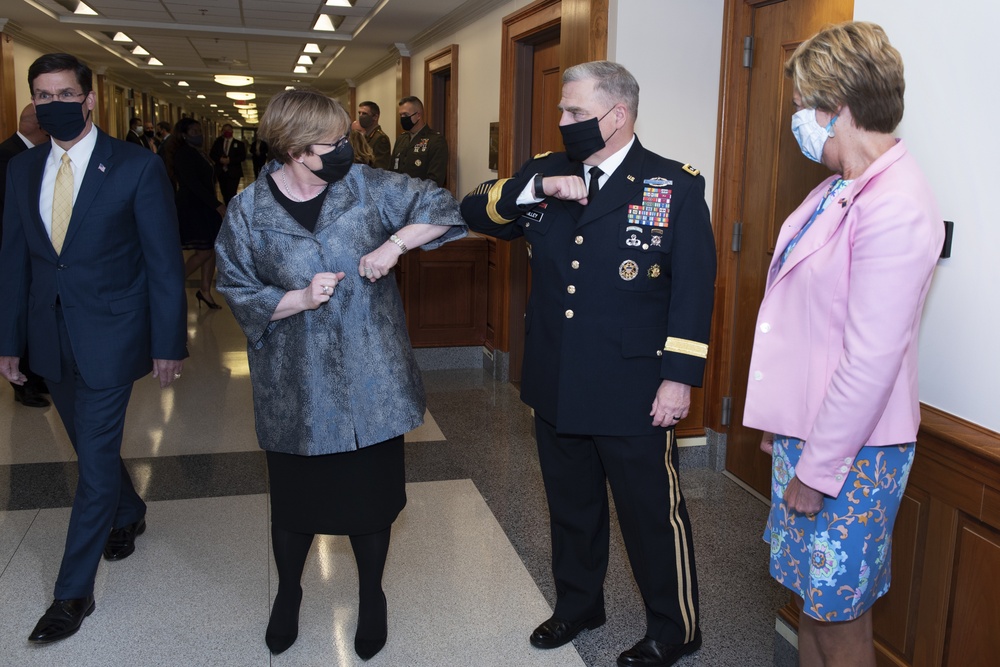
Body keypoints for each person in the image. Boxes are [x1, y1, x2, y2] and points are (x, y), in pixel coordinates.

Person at [461, 60, 716, 667]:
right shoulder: (548, 171)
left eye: (575, 112)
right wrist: (537, 189)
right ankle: (580, 605)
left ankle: (675, 626)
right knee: (571, 505)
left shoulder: (671, 184)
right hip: (556, 377)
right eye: (562, 110)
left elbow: (694, 291)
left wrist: (679, 378)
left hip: (635, 384)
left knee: (652, 513)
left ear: (617, 115)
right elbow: (476, 212)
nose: (562, 121)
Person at [214, 89, 466, 660]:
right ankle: (289, 592)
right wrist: (298, 298)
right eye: (332, 143)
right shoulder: (249, 211)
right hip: (294, 385)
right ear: (297, 149)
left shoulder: (367, 188)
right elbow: (233, 287)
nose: (344, 150)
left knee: (369, 501)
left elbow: (442, 205)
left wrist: (395, 245)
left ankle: (372, 594)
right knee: (296, 503)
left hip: (370, 378)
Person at [742, 22, 944, 667]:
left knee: (841, 617)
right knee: (811, 605)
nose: (799, 121)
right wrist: (782, 425)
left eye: (806, 106)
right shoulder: (837, 190)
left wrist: (819, 467)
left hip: (851, 453)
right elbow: (805, 322)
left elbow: (870, 360)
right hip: (812, 434)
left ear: (842, 108)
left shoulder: (897, 205)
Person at [0, 52, 187, 643]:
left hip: (111, 335)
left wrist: (168, 342)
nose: (52, 104)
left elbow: (163, 263)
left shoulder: (134, 167)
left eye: (64, 94)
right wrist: (9, 342)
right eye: (42, 96)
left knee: (93, 464)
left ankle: (72, 594)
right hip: (48, 338)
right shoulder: (22, 171)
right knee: (91, 449)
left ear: (89, 100)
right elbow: (14, 262)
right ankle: (129, 512)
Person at [0, 103, 50, 407]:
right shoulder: (8, 155)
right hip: (15, 250)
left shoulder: (35, 153)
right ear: (36, 125)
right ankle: (22, 385)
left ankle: (35, 372)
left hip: (34, 251)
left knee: (34, 313)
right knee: (18, 314)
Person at [171, 117, 226, 309]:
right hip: (192, 207)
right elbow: (193, 184)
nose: (198, 135)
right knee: (203, 252)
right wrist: (217, 204)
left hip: (205, 207)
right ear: (184, 135)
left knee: (210, 250)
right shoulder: (183, 154)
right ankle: (171, 283)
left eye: (199, 131)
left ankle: (204, 290)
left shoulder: (200, 152)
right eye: (194, 132)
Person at [390, 96, 447, 187]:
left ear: (418, 115)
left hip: (420, 197)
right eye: (400, 115)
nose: (402, 118)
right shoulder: (401, 139)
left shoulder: (435, 140)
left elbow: (435, 180)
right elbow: (391, 171)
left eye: (406, 115)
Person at [209, 122, 247, 203]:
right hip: (221, 172)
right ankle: (226, 206)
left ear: (232, 131)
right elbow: (212, 154)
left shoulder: (239, 144)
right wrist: (219, 159)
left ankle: (231, 209)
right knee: (224, 192)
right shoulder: (218, 142)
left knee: (232, 193)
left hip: (233, 172)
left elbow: (242, 157)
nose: (227, 132)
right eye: (225, 130)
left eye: (229, 130)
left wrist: (230, 160)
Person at [355, 100, 391, 169]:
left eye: (364, 113)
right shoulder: (365, 136)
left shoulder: (380, 139)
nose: (360, 116)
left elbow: (380, 168)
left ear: (375, 117)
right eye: (359, 113)